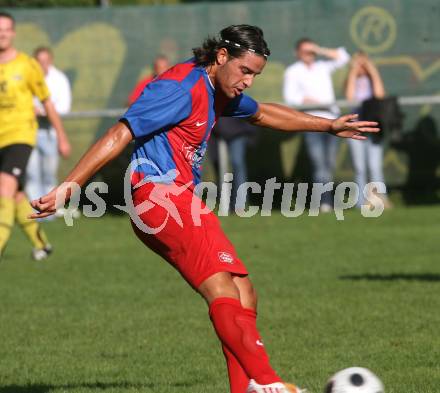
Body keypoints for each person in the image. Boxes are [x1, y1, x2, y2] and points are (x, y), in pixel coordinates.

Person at [31, 25, 378, 393]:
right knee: (224, 291)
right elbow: (120, 133)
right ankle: (269, 383)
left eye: (255, 75)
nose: (248, 82)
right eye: (245, 71)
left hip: (180, 200)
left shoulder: (218, 88)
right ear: (222, 56)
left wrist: (326, 125)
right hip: (158, 196)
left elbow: (263, 114)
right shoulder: (180, 87)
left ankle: (249, 388)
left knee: (244, 292)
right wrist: (70, 186)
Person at [0, 12, 71, 261]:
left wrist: (61, 136)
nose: (2, 33)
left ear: (13, 33)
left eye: (6, 29)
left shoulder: (26, 65)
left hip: (20, 137)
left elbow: (47, 102)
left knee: (3, 190)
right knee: (16, 195)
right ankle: (41, 244)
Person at [283, 38, 350, 212]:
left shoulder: (322, 67)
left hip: (333, 121)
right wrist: (308, 100)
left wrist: (319, 49)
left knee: (330, 163)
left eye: (311, 51)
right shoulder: (293, 71)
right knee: (319, 164)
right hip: (312, 123)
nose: (309, 55)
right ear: (297, 53)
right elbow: (290, 98)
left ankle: (327, 200)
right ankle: (324, 202)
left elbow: (343, 57)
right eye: (305, 51)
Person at [26, 46, 72, 209]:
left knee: (49, 172)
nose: (42, 65)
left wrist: (45, 111)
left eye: (45, 61)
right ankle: (35, 205)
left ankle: (50, 205)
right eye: (39, 62)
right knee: (31, 173)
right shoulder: (28, 76)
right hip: (30, 130)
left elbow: (63, 107)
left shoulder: (59, 79)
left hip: (51, 131)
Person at [345, 52, 391, 208]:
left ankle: (380, 199)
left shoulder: (372, 80)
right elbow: (349, 97)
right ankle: (361, 202)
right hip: (354, 127)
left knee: (375, 166)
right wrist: (353, 71)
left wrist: (372, 69)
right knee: (360, 167)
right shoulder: (351, 79)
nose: (361, 66)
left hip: (372, 126)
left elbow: (380, 95)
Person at [209, 116, 258, 212]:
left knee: (237, 163)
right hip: (214, 131)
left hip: (237, 130)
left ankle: (240, 205)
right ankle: (223, 201)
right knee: (217, 165)